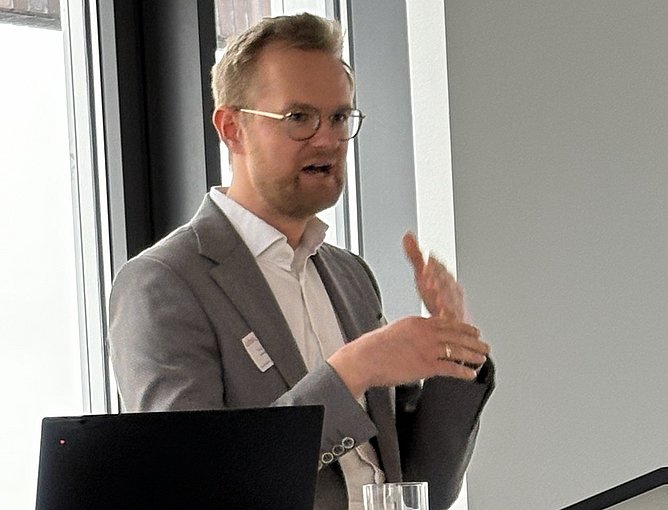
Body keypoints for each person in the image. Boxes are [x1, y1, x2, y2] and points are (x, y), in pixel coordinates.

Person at [108, 12, 494, 510]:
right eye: (298, 118)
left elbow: (423, 488)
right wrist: (353, 369)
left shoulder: (350, 276)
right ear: (232, 128)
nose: (327, 140)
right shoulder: (162, 283)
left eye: (339, 118)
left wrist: (454, 355)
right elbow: (196, 485)